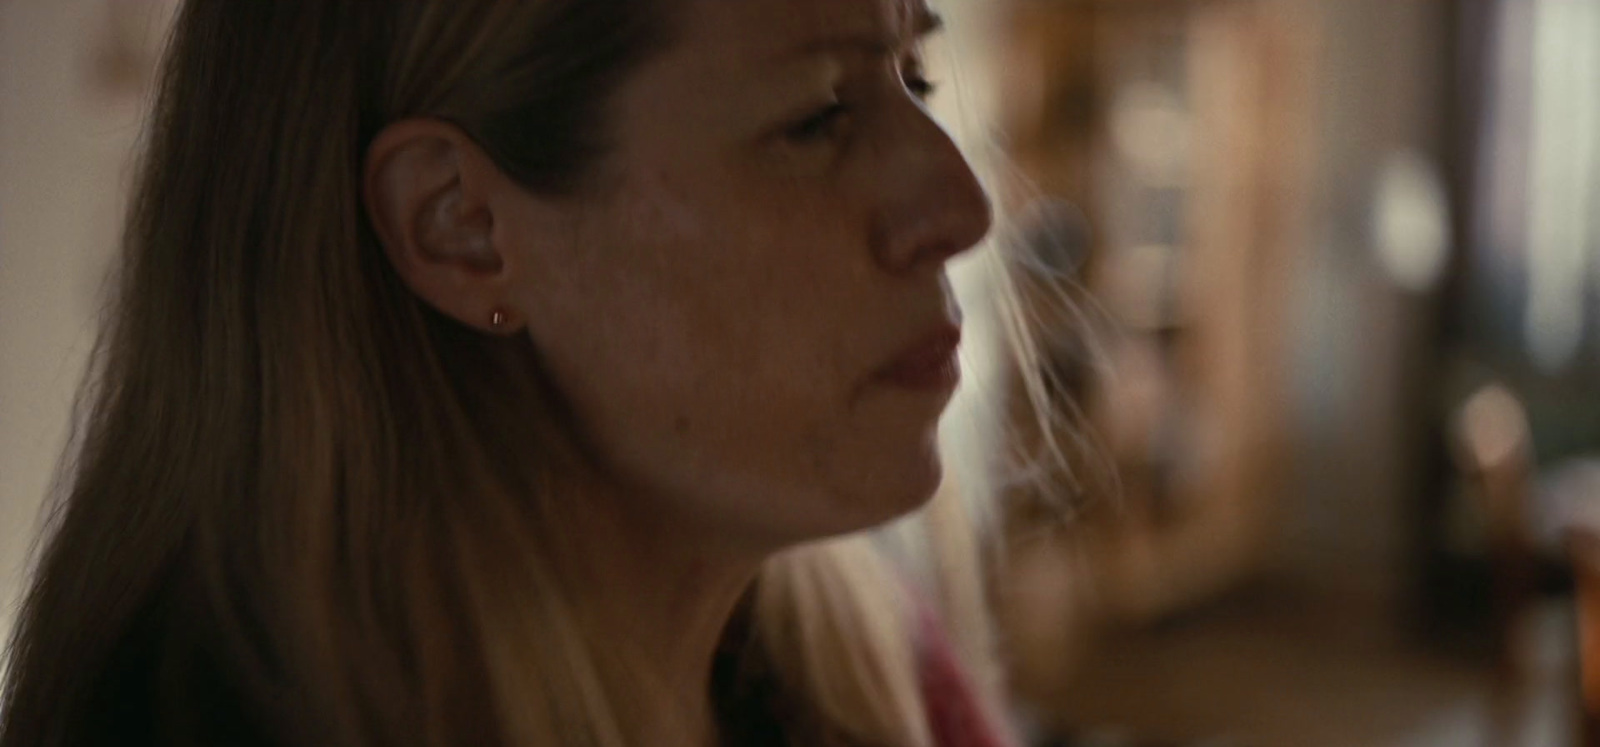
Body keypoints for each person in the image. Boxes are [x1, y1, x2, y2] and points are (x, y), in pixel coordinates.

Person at [0, 1, 1045, 744]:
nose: (959, 207)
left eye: (912, 76)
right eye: (815, 116)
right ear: (460, 227)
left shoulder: (876, 688)